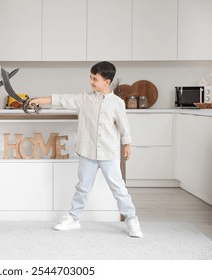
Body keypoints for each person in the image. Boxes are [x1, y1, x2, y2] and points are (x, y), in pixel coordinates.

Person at [29, 61, 142, 238]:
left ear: (107, 81)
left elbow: (123, 126)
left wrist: (127, 144)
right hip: (87, 152)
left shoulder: (117, 103)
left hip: (109, 154)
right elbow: (60, 99)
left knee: (118, 188)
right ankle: (73, 218)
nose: (91, 82)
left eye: (94, 79)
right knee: (82, 187)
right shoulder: (84, 99)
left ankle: (132, 220)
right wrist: (38, 100)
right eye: (90, 77)